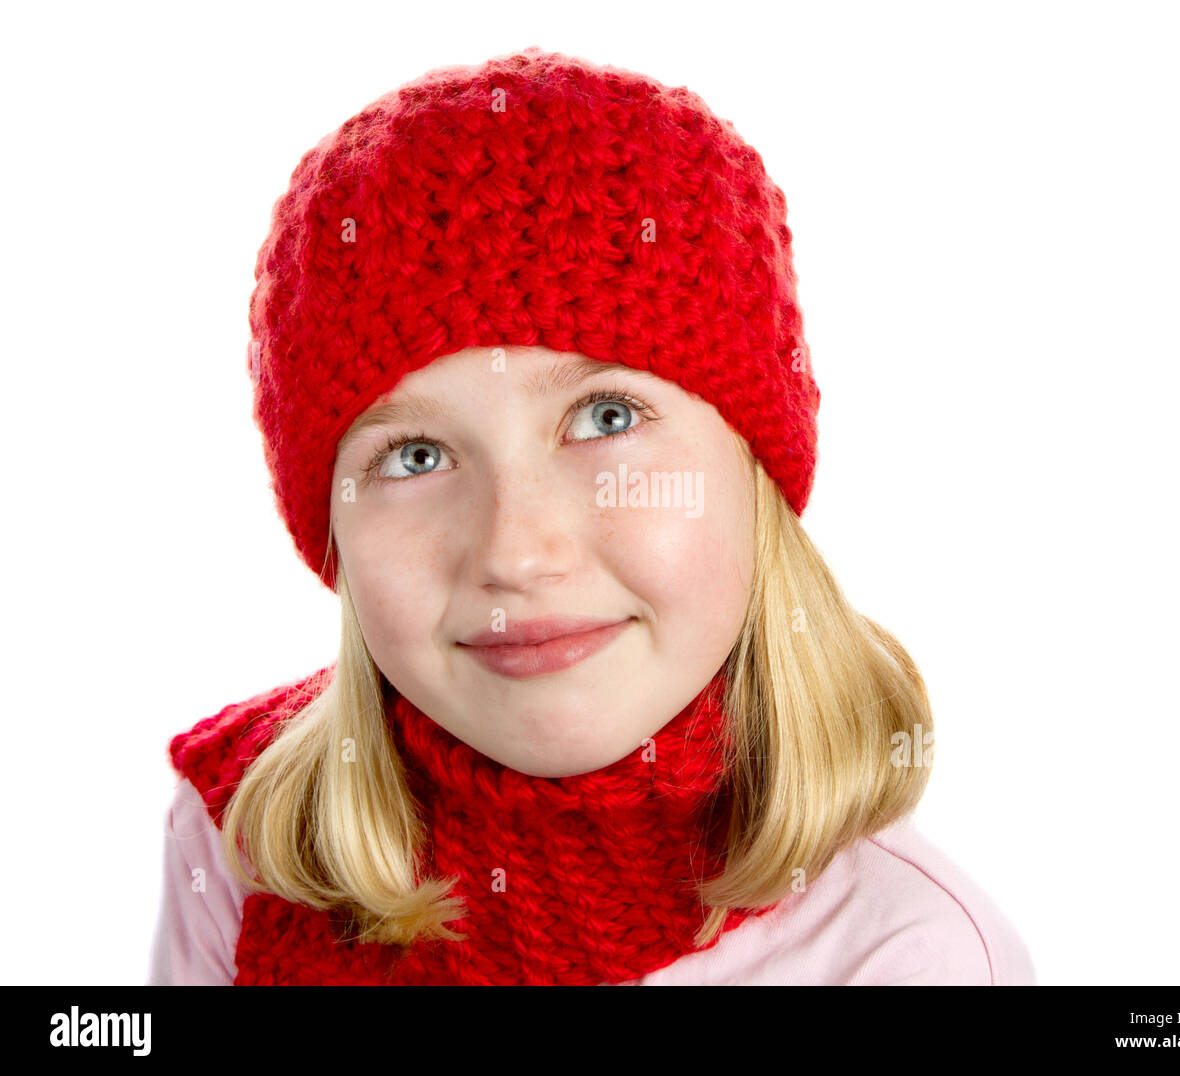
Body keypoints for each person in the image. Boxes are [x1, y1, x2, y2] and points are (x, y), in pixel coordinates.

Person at [147, 46, 1035, 986]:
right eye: (416, 456)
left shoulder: (911, 958)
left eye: (606, 418)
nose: (518, 553)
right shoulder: (237, 846)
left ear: (754, 464)